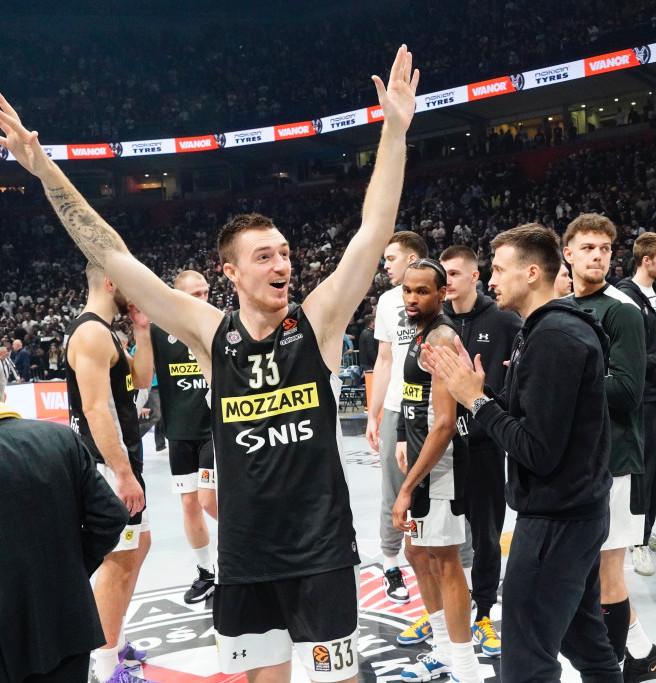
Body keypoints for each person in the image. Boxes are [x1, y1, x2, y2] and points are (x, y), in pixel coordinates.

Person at [0, 44, 419, 683]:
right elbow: (113, 256)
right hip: (246, 557)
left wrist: (394, 132)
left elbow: (373, 229)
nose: (282, 264)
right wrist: (45, 171)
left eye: (285, 253)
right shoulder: (209, 333)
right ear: (231, 273)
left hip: (321, 552)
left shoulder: (319, 322)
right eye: (264, 256)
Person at [423, 224, 622, 682]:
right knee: (586, 645)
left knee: (526, 661)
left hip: (557, 520)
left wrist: (477, 402)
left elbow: (537, 450)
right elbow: (535, 417)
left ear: (531, 273)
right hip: (575, 512)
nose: (491, 280)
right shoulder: (546, 329)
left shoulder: (554, 337)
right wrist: (479, 391)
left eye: (498, 270)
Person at [563, 214, 656, 682]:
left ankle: (614, 669)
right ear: (568, 253)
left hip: (616, 459)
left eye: (605, 249)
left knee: (607, 572)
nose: (598, 256)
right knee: (589, 571)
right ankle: (644, 653)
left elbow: (627, 391)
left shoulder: (621, 309)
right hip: (579, 459)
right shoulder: (564, 306)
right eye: (588, 248)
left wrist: (564, 377)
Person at [0, 371, 129, 683]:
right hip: (67, 619)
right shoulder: (61, 439)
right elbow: (111, 516)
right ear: (3, 392)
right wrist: (71, 567)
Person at [60, 263, 154, 683]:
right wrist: (123, 474)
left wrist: (143, 330)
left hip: (122, 461)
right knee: (118, 563)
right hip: (107, 466)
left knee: (138, 547)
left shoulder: (108, 332)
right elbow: (95, 409)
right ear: (111, 281)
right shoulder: (91, 333)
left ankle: (115, 641)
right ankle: (106, 666)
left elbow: (142, 379)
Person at [390, 259, 480, 683]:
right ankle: (443, 650)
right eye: (407, 290)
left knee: (445, 562)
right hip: (422, 461)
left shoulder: (441, 337)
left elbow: (443, 424)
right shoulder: (420, 333)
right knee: (415, 552)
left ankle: (466, 667)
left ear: (442, 294)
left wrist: (407, 488)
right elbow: (416, 403)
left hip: (442, 468)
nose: (412, 298)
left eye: (422, 291)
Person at [440, 244, 521, 657]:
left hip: (485, 445)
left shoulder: (505, 320)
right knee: (439, 536)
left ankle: (485, 611)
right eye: (443, 275)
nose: (447, 282)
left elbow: (519, 378)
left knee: (487, 535)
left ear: (475, 276)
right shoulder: (434, 321)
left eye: (454, 274)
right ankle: (443, 613)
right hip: (440, 447)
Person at [366, 230, 428, 610]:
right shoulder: (388, 301)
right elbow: (384, 360)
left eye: (391, 258)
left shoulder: (440, 293)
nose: (385, 265)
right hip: (394, 407)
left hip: (432, 407)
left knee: (439, 488)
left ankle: (440, 559)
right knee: (393, 487)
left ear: (411, 259)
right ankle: (391, 563)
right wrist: (373, 414)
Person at [149, 270, 218, 604]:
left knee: (208, 500)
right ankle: (207, 572)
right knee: (190, 505)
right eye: (195, 295)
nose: (203, 300)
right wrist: (139, 330)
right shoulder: (157, 330)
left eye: (206, 293)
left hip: (214, 431)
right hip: (178, 433)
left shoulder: (219, 326)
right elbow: (143, 375)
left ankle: (257, 545)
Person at [616, 232, 656, 576]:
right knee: (642, 470)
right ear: (646, 260)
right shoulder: (625, 296)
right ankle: (636, 540)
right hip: (639, 398)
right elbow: (627, 352)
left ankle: (645, 529)